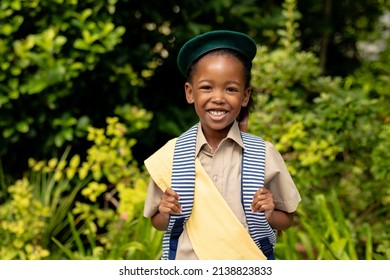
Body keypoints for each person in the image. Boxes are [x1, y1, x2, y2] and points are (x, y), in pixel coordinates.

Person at [143, 30, 301, 260]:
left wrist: (269, 213)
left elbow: (287, 218)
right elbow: (157, 222)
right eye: (207, 87)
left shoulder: (263, 154)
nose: (218, 97)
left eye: (231, 89)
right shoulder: (170, 155)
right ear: (190, 93)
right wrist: (167, 212)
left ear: (245, 96)